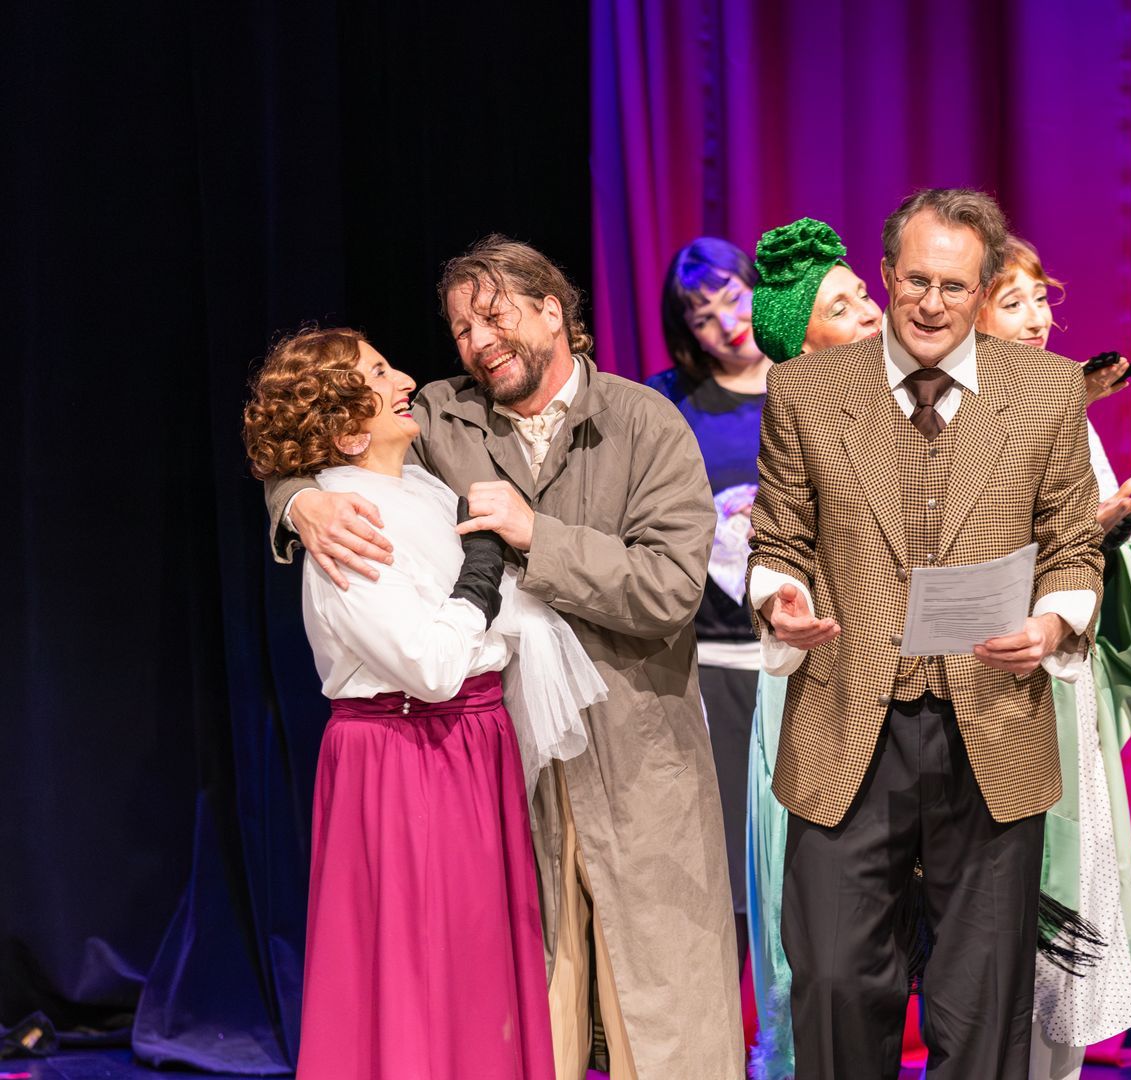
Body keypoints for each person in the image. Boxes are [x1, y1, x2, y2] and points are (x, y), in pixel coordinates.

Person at [263, 237, 743, 1079]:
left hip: (638, 763)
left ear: (553, 312)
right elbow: (333, 440)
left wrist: (536, 537)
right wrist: (297, 500)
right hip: (503, 778)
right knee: (523, 1024)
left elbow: (669, 589)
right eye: (460, 329)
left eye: (494, 316)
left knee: (665, 1026)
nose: (478, 342)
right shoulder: (442, 418)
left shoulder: (643, 421)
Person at [748, 188, 1104, 1079]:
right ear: (885, 275)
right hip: (846, 723)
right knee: (835, 982)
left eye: (954, 286)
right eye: (915, 281)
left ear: (981, 290)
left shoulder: (1046, 389)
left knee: (983, 1002)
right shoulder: (806, 390)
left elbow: (1072, 543)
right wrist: (780, 597)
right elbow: (779, 536)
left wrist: (1052, 621)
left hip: (992, 722)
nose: (933, 304)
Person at [242, 327, 579, 1079]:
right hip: (410, 754)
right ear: (345, 428)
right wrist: (481, 578)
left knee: (475, 967)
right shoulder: (350, 522)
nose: (406, 380)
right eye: (379, 372)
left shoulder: (421, 487)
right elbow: (431, 666)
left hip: (471, 743)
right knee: (419, 967)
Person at [977, 237, 1131, 1080]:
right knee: (1013, 896)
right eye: (1012, 301)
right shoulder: (949, 412)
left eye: (1040, 302)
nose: (1036, 319)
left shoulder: (1065, 410)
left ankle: (1061, 1063)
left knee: (1076, 885)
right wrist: (1086, 527)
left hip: (1065, 673)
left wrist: (1106, 528)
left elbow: (1079, 536)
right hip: (1001, 679)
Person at [733, 215, 884, 1080]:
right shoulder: (796, 430)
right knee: (815, 922)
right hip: (817, 685)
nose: (869, 311)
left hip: (911, 690)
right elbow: (776, 554)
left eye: (863, 294)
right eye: (842, 306)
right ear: (802, 346)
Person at [655, 236, 777, 969]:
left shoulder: (814, 385)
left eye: (735, 299)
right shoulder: (667, 405)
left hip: (807, 661)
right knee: (722, 873)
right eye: (704, 317)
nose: (728, 325)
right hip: (708, 666)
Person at [647, 237, 767, 405]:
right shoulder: (665, 396)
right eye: (704, 321)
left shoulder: (805, 365)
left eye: (733, 299)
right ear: (690, 335)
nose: (728, 326)